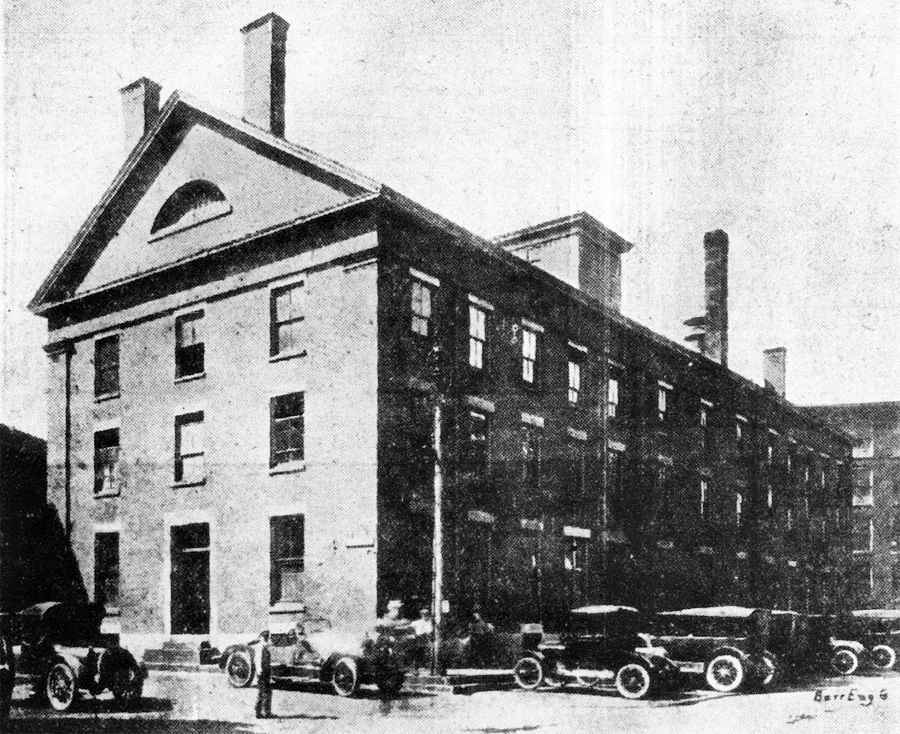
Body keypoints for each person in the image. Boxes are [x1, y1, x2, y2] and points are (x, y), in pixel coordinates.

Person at [252, 630, 273, 719]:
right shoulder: (261, 648)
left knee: (264, 692)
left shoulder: (264, 647)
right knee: (264, 692)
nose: (270, 640)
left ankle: (262, 712)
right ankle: (263, 712)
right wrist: (260, 672)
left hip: (265, 672)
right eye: (269, 638)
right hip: (262, 673)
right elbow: (258, 661)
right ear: (266, 639)